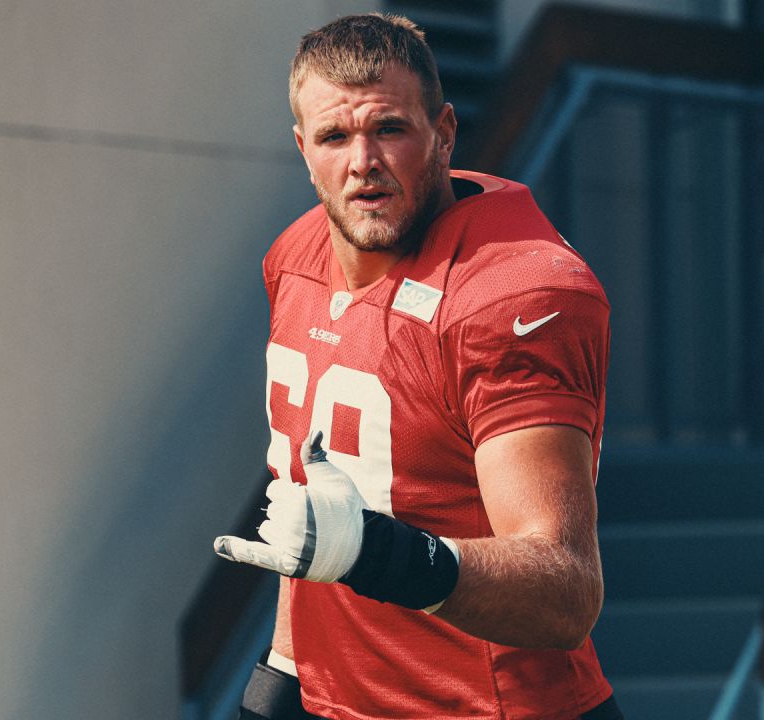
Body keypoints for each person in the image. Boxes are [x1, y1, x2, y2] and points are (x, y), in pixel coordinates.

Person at [214, 13, 620, 720]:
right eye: (335, 137)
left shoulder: (515, 294)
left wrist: (382, 556)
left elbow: (566, 593)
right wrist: (278, 678)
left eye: (390, 129)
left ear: (445, 133)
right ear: (304, 150)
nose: (362, 160)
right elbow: (312, 512)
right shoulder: (297, 258)